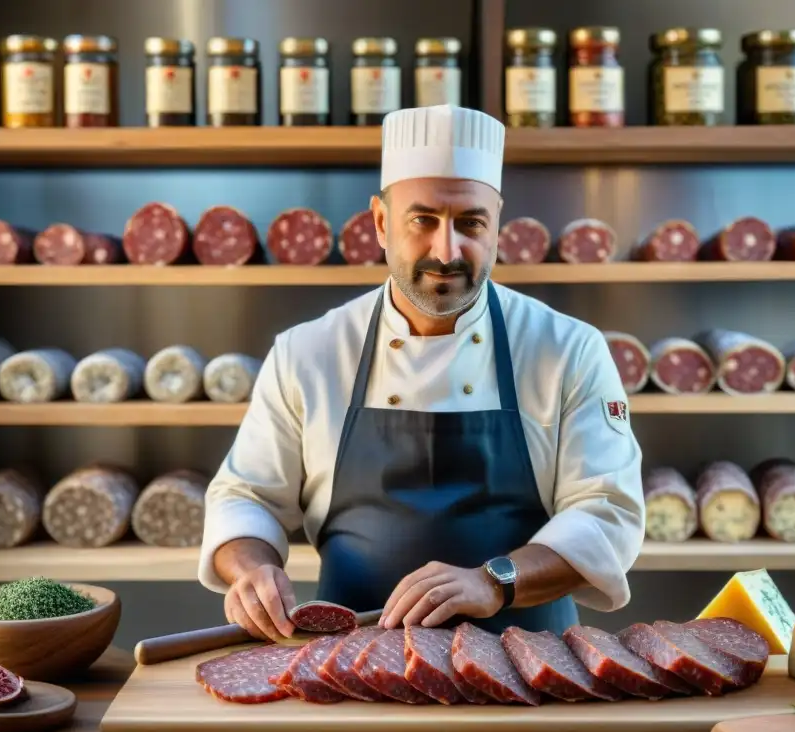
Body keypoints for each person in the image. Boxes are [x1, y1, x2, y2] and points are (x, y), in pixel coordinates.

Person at [198, 104, 645, 642]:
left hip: (529, 665)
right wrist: (250, 570)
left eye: (471, 223)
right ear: (382, 224)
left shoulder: (568, 349)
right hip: (352, 659)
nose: (447, 251)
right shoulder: (308, 352)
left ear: (497, 226)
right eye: (423, 220)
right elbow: (245, 496)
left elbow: (607, 512)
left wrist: (494, 580)